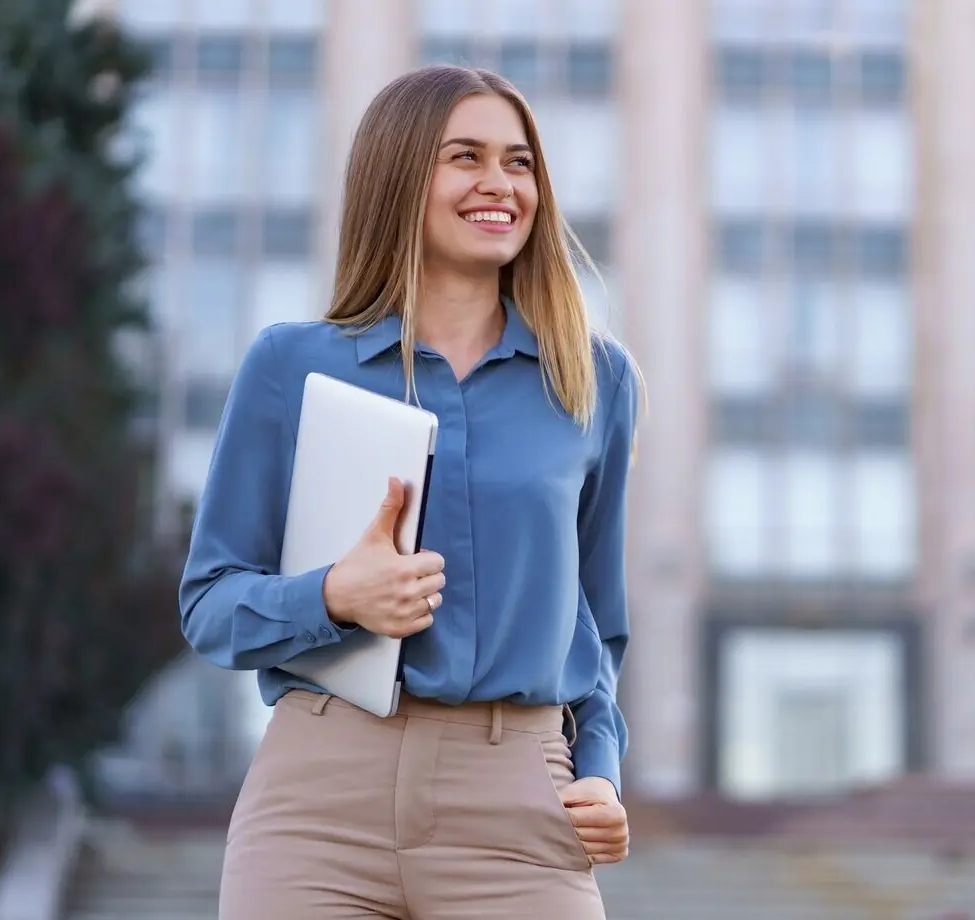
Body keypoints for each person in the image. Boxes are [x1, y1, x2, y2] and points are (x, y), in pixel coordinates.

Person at [178, 64, 641, 919]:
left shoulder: (596, 382)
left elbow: (596, 629)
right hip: (319, 805)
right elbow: (209, 604)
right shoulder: (290, 366)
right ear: (398, 177)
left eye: (520, 162)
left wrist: (601, 774)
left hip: (517, 806)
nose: (499, 184)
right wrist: (334, 595)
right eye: (465, 157)